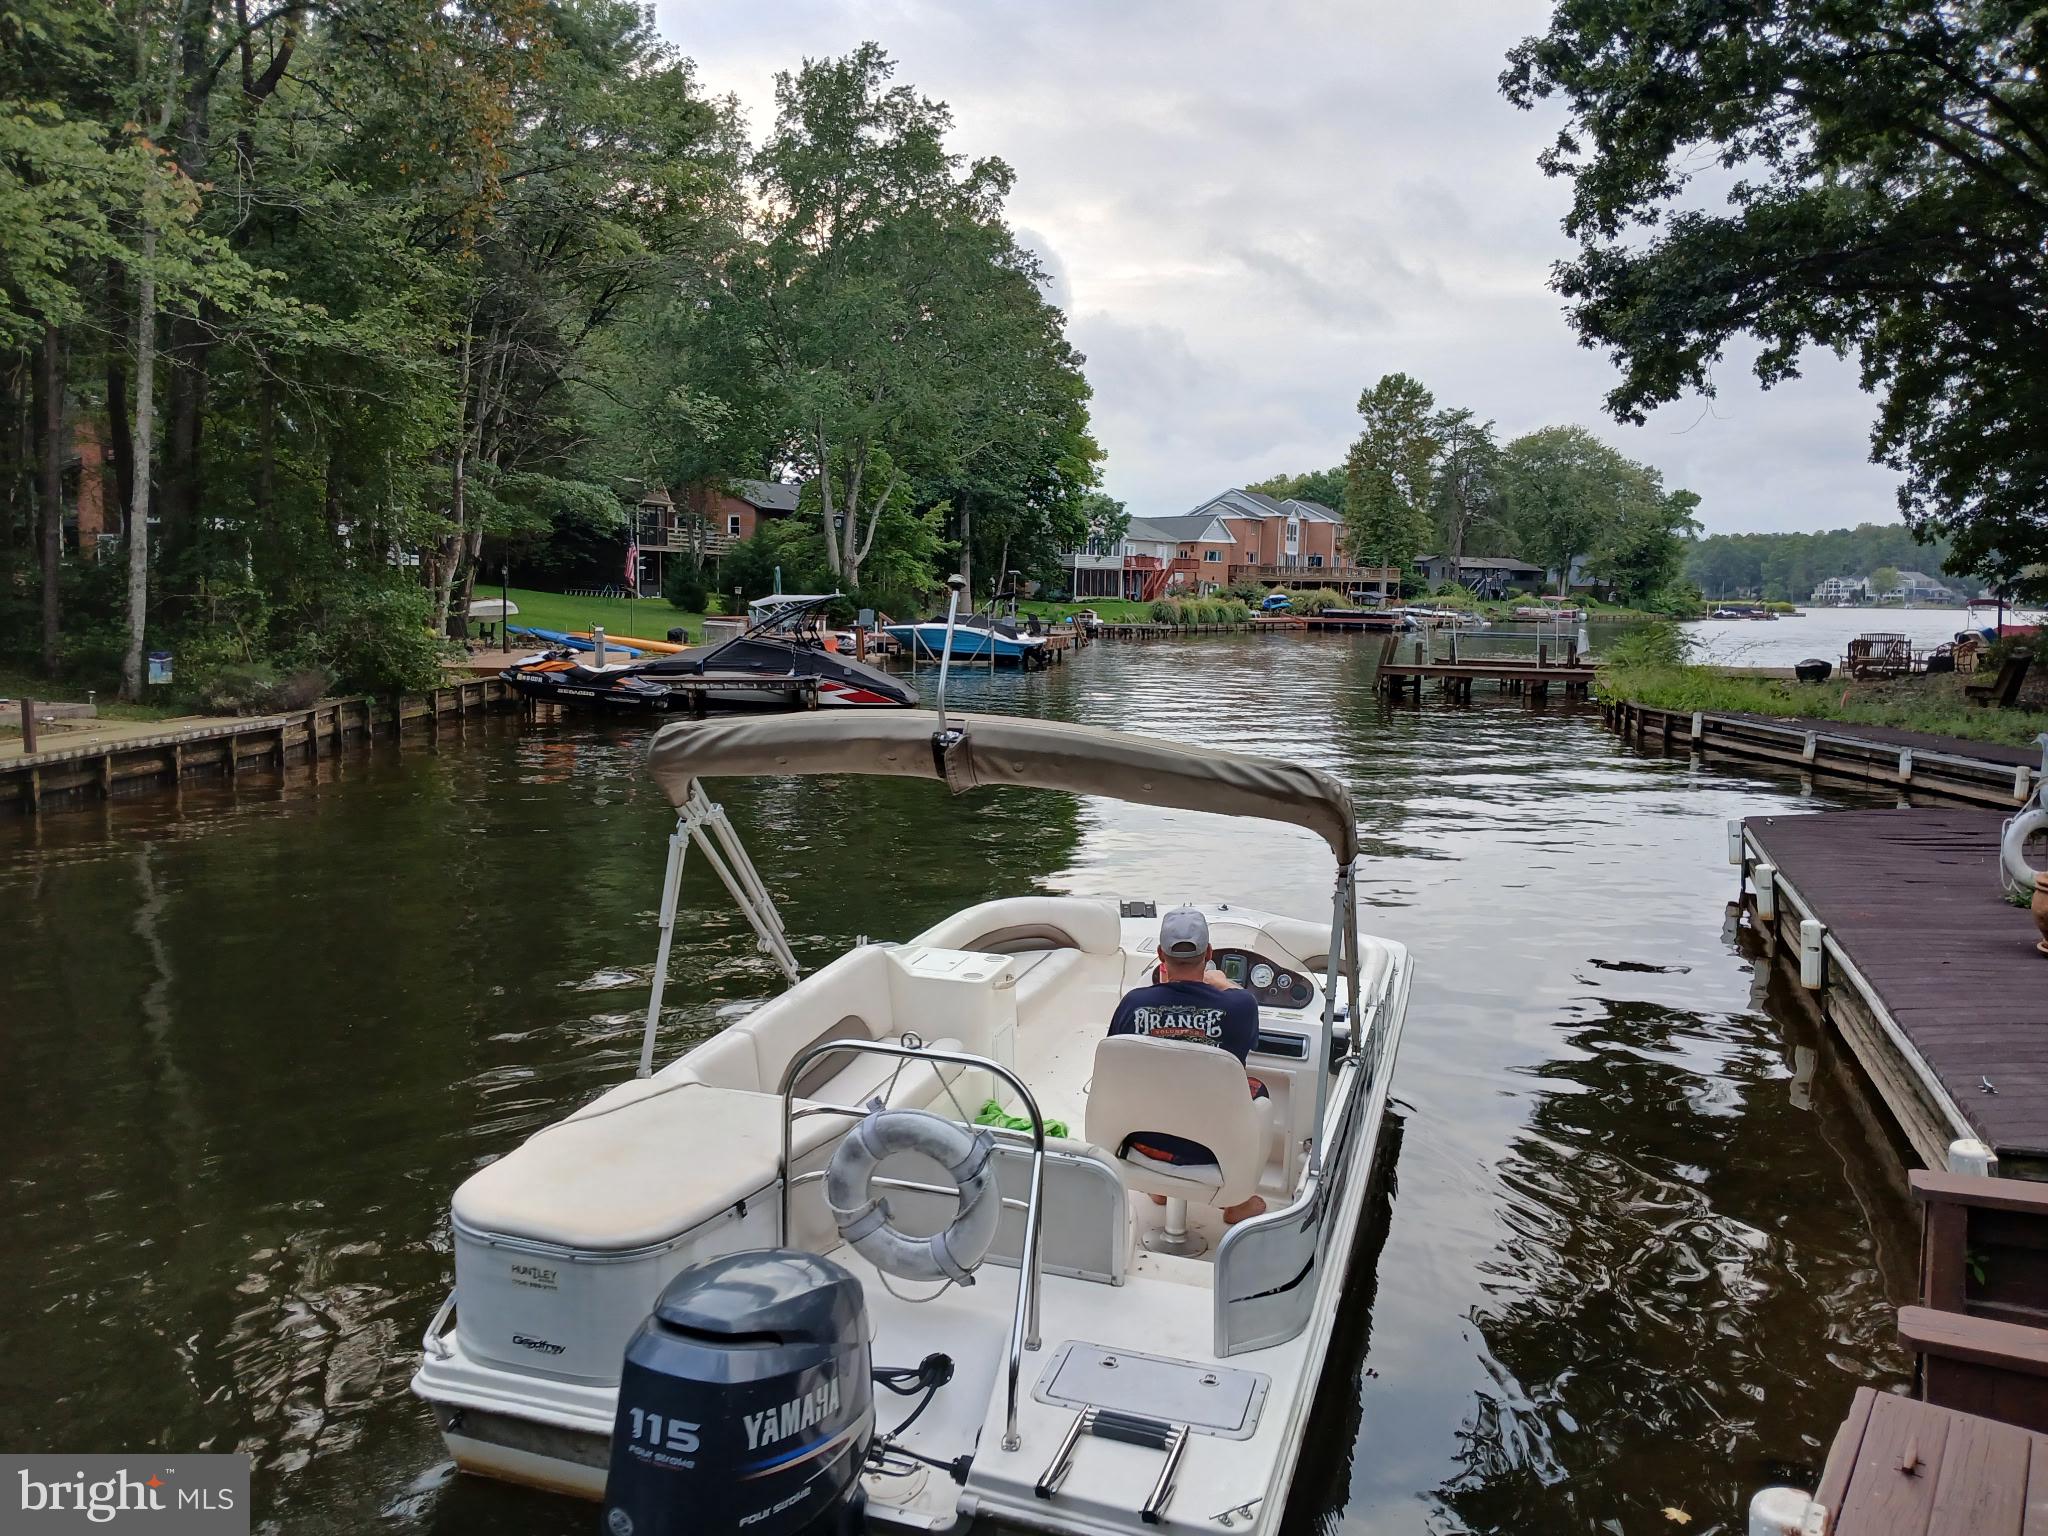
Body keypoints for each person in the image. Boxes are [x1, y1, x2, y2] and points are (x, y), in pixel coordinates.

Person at [1106, 907, 1268, 1224]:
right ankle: (1237, 1201)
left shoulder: (1133, 1003)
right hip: (1211, 1151)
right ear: (1208, 954)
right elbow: (1247, 1042)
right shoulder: (1240, 1005)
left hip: (1142, 1143)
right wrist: (1224, 984)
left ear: (1159, 956)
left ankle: (1160, 1189)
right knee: (1256, 1089)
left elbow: (1117, 1062)